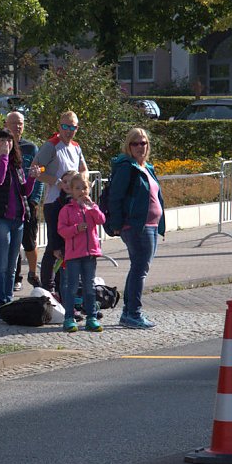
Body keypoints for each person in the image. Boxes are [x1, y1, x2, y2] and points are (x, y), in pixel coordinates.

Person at [105, 128, 165, 330]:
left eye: (144, 143)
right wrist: (117, 224)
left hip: (151, 224)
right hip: (136, 226)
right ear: (128, 146)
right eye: (136, 143)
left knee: (139, 267)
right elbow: (115, 197)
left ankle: (128, 311)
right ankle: (133, 313)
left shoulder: (146, 167)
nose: (141, 147)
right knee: (140, 268)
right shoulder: (126, 167)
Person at [31, 111, 89, 297]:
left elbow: (84, 169)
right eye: (65, 126)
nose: (68, 131)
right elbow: (36, 168)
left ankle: (63, 285)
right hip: (54, 202)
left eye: (72, 127)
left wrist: (80, 184)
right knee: (54, 246)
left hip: (71, 203)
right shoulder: (52, 145)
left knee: (68, 245)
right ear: (59, 127)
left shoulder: (76, 146)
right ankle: (47, 287)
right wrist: (58, 182)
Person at [0, 128, 35, 308]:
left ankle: (8, 299)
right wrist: (3, 157)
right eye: (2, 141)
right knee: (1, 264)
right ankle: (0, 302)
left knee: (12, 264)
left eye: (9, 142)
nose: (6, 145)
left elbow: (24, 191)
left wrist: (32, 178)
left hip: (17, 219)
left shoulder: (16, 164)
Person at [57, 172, 105, 333]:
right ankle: (69, 317)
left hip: (90, 253)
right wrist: (76, 229)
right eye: (77, 188)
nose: (81, 191)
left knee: (89, 287)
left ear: (89, 189)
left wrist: (93, 207)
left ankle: (91, 316)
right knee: (71, 287)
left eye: (84, 187)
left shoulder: (91, 207)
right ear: (71, 190)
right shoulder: (67, 209)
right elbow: (62, 230)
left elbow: (101, 220)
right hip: (73, 255)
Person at [4, 111, 43, 291]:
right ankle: (15, 276)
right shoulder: (3, 146)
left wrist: (34, 199)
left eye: (20, 123)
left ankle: (33, 273)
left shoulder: (31, 148)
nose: (17, 127)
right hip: (10, 203)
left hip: (28, 202)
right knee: (12, 242)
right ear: (6, 124)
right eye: (13, 123)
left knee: (29, 241)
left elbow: (38, 173)